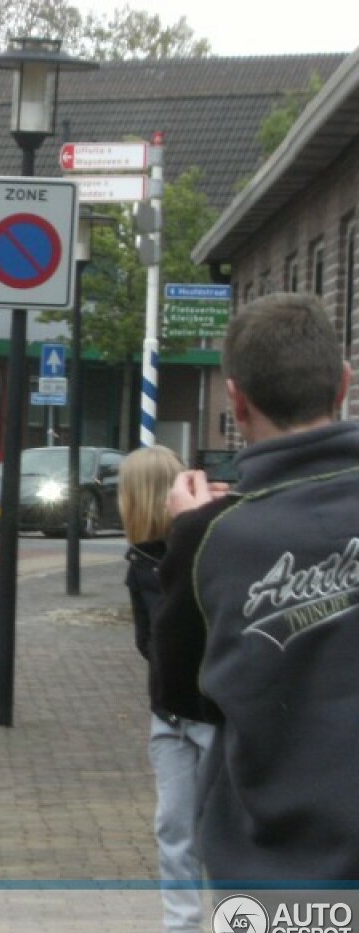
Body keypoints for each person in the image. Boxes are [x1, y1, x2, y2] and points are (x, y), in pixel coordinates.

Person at [153, 292, 358, 883]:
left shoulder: (212, 538)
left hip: (273, 879)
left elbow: (181, 696)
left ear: (237, 403)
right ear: (343, 385)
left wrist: (181, 539)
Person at [120, 445, 220, 933]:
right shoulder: (138, 561)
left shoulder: (206, 549)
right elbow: (147, 639)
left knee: (220, 832)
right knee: (172, 826)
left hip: (213, 716)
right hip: (170, 717)